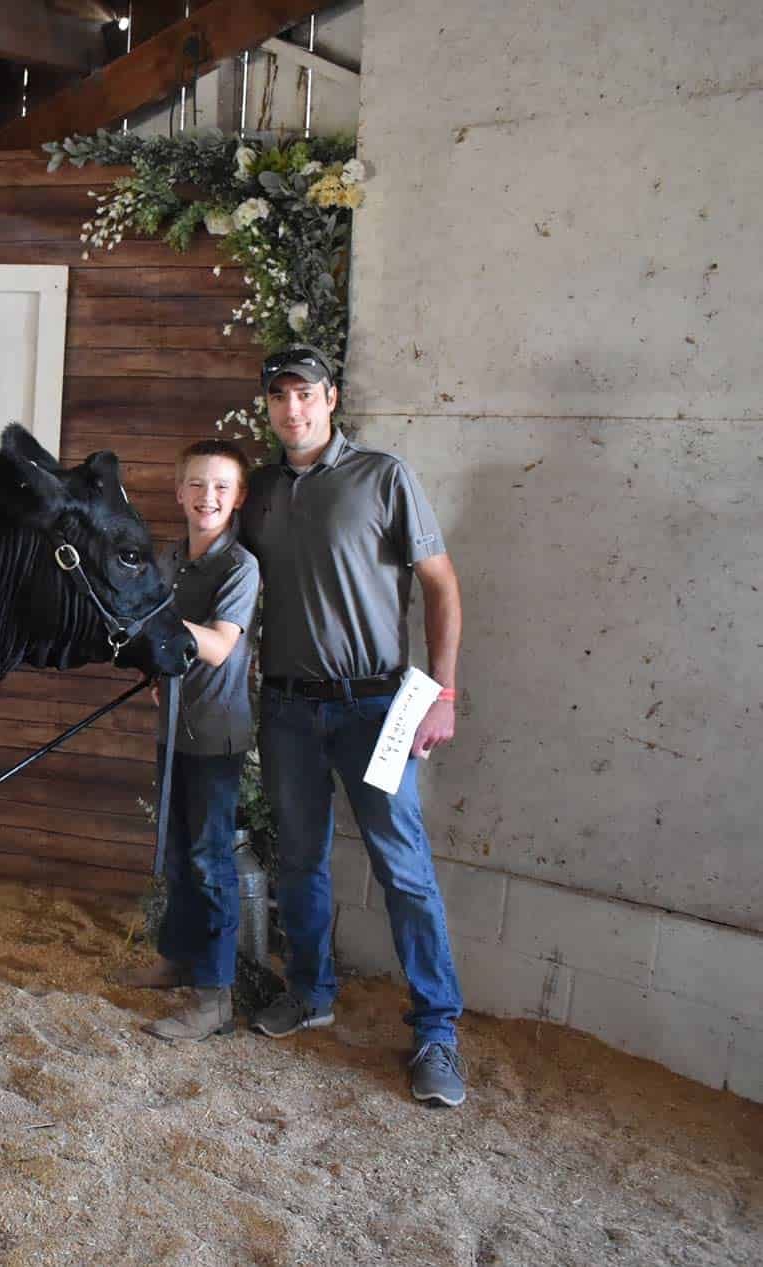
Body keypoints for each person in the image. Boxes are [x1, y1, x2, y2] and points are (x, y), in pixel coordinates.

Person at [238, 344, 468, 1108]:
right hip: (289, 709)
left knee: (402, 867)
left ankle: (437, 1032)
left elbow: (440, 587)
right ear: (268, 405)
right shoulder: (261, 491)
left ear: (330, 398)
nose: (292, 409)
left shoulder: (383, 476)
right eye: (279, 397)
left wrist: (443, 691)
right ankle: (311, 991)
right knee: (300, 859)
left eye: (305, 394)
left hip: (378, 707)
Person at [137, 440, 260, 1043]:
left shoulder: (240, 566)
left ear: (236, 499)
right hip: (173, 730)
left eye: (220, 487)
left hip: (216, 736)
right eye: (196, 485)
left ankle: (215, 998)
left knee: (211, 863)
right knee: (176, 854)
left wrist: (145, 616)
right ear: (179, 492)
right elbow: (159, 647)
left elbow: (216, 645)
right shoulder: (168, 560)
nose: (206, 497)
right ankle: (176, 960)